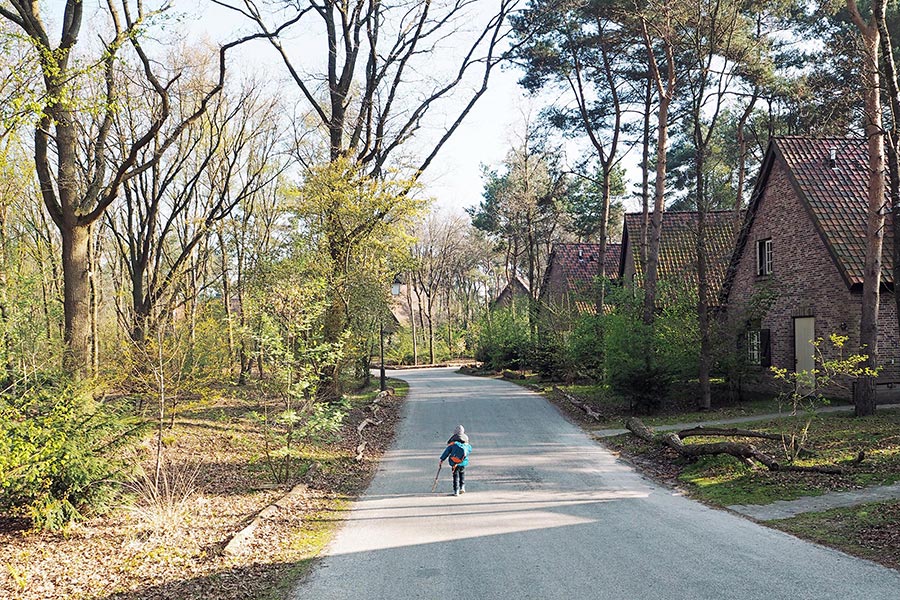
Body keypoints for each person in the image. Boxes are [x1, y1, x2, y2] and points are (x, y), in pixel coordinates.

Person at [439, 425, 471, 496]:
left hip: (454, 462)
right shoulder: (466, 444)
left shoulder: (452, 444)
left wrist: (442, 459)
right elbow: (469, 450)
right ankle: (462, 487)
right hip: (462, 462)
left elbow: (446, 452)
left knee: (455, 476)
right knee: (462, 474)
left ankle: (456, 490)